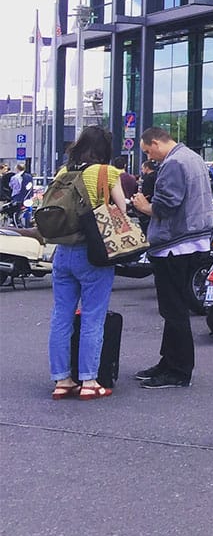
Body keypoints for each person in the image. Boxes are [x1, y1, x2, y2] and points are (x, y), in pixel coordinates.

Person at [48, 126, 127, 400]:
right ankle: (89, 381)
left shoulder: (63, 172)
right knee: (93, 317)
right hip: (94, 253)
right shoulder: (107, 173)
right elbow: (121, 211)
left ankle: (61, 380)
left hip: (63, 252)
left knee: (61, 316)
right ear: (105, 149)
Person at [130, 126, 213, 389]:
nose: (150, 157)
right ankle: (167, 362)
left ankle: (178, 371)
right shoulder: (192, 157)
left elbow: (167, 205)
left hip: (175, 244)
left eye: (148, 151)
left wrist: (144, 206)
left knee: (173, 309)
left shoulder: (174, 163)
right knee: (173, 308)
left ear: (155, 143)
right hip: (193, 240)